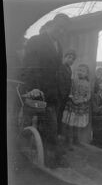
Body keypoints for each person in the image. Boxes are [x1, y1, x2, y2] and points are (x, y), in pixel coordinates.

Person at [20, 13, 73, 168]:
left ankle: (49, 159)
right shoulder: (36, 41)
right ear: (52, 24)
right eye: (59, 27)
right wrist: (33, 87)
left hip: (52, 94)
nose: (61, 31)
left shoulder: (59, 45)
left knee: (51, 126)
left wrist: (60, 92)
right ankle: (26, 159)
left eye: (64, 29)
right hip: (35, 92)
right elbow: (29, 66)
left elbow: (57, 71)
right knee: (29, 126)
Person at [62, 64, 91, 150]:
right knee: (70, 123)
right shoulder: (73, 81)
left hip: (81, 106)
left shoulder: (88, 84)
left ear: (86, 74)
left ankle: (76, 140)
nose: (80, 72)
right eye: (79, 70)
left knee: (77, 124)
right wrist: (72, 98)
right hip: (72, 105)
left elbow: (88, 95)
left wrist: (83, 100)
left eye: (83, 71)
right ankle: (68, 141)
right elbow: (70, 91)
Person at [57, 50, 77, 136]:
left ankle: (59, 133)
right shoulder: (61, 67)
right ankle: (56, 133)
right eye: (69, 57)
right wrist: (64, 94)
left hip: (65, 96)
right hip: (59, 95)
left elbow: (69, 83)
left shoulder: (69, 69)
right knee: (57, 113)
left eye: (73, 59)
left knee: (61, 114)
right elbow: (60, 82)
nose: (71, 60)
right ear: (64, 58)